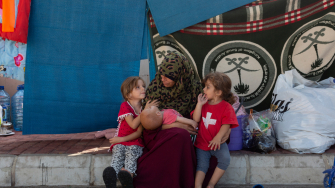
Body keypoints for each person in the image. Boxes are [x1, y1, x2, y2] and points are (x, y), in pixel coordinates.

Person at [133, 52, 203, 188]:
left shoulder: (194, 89)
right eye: (162, 74)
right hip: (156, 131)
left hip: (185, 130)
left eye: (169, 77)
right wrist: (175, 126)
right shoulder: (155, 88)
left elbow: (198, 117)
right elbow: (147, 122)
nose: (163, 79)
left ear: (180, 76)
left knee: (182, 137)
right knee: (180, 136)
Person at [102, 76, 158, 188]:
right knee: (118, 153)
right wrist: (121, 140)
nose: (143, 89)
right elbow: (133, 124)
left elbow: (138, 132)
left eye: (143, 86)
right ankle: (112, 178)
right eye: (138, 87)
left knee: (132, 153)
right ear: (128, 95)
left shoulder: (143, 109)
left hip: (135, 141)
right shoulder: (125, 106)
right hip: (120, 140)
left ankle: (128, 178)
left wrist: (145, 111)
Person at [192, 72, 238, 188]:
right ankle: (197, 186)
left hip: (218, 143)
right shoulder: (204, 104)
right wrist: (199, 105)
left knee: (225, 159)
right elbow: (196, 119)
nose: (204, 89)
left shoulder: (226, 107)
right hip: (202, 143)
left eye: (208, 87)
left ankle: (211, 184)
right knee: (202, 166)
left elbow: (226, 124)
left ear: (218, 92)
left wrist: (218, 138)